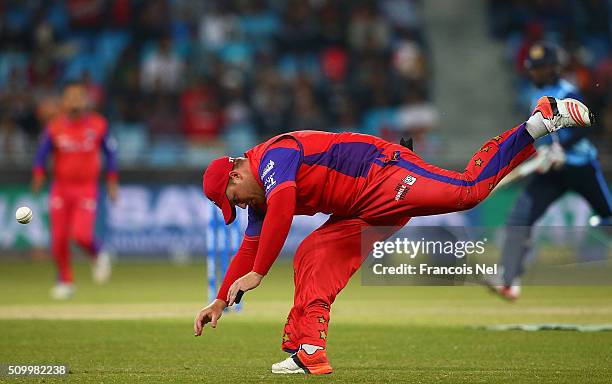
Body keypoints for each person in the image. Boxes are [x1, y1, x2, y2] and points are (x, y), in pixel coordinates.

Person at [194, 96, 592, 374]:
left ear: (235, 174)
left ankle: (538, 121)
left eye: (234, 199)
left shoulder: (274, 156)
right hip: (361, 207)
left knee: (468, 191)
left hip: (384, 173)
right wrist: (218, 301)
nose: (241, 207)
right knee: (313, 252)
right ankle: (309, 351)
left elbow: (281, 212)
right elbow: (250, 247)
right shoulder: (260, 193)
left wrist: (260, 272)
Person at [488, 42, 612, 301]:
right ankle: (508, 280)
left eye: (541, 69)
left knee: (608, 216)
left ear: (555, 68)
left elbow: (586, 124)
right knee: (520, 216)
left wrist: (562, 149)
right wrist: (541, 154)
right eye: (533, 69)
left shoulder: (569, 91)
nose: (535, 74)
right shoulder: (535, 97)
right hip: (551, 170)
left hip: (580, 166)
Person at [32, 80, 119, 300]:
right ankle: (65, 281)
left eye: (79, 97)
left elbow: (110, 154)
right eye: (70, 97)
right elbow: (42, 154)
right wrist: (38, 174)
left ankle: (98, 252)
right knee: (59, 239)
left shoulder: (98, 125)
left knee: (80, 235)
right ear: (63, 101)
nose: (75, 101)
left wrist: (111, 180)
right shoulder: (55, 126)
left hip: (86, 188)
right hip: (60, 188)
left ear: (86, 100)